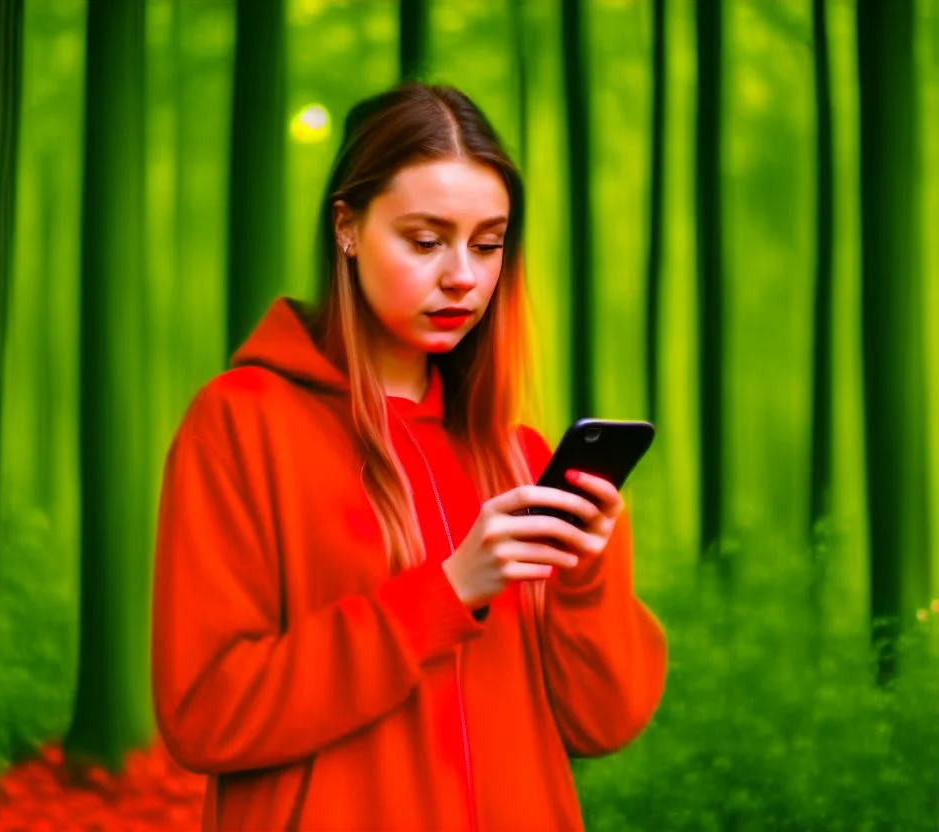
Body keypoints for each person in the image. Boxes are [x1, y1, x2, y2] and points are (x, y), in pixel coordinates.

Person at [151, 81, 667, 832]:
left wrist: (587, 575)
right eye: (426, 241)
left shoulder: (518, 458)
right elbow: (205, 713)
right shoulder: (240, 425)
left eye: (488, 244)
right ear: (348, 228)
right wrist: (445, 595)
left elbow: (603, 722)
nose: (462, 274)